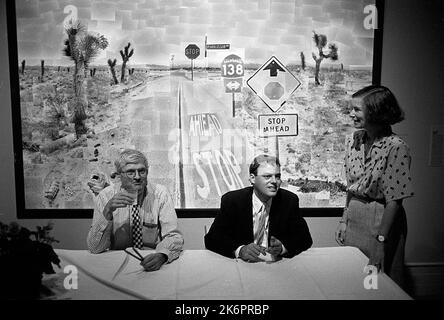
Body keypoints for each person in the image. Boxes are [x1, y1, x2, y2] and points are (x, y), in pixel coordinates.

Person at [335, 85, 414, 287]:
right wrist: (345, 220)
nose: (351, 114)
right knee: (353, 279)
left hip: (381, 220)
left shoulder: (395, 146)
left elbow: (395, 200)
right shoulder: (354, 140)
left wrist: (381, 242)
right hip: (355, 216)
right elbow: (351, 187)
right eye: (351, 109)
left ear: (375, 111)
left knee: (375, 282)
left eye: (357, 109)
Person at [87, 149, 183, 271]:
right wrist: (107, 212)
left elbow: (174, 236)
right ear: (119, 175)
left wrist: (162, 255)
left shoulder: (160, 194)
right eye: (131, 172)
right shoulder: (105, 196)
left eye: (142, 171)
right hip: (116, 263)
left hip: (151, 259)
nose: (137, 177)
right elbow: (94, 248)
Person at [204, 154, 312, 262]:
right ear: (252, 178)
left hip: (276, 266)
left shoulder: (289, 201)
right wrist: (241, 250)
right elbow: (212, 238)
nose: (274, 181)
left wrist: (282, 248)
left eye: (277, 176)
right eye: (267, 176)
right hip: (243, 265)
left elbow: (305, 238)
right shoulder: (233, 201)